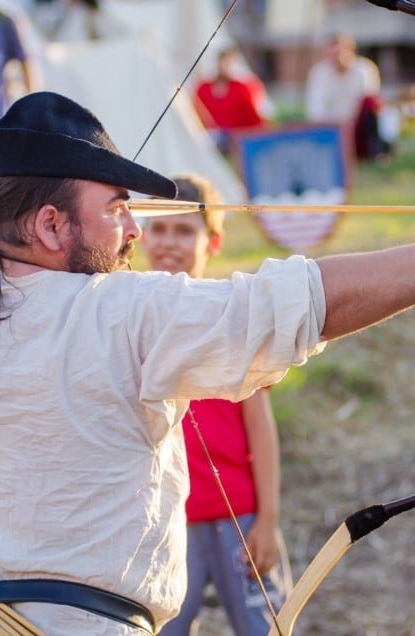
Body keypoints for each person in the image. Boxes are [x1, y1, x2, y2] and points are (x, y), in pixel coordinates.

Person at [0, 89, 415, 633]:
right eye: (115, 208)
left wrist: (14, 191)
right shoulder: (125, 311)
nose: (132, 230)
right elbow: (309, 300)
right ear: (52, 225)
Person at [143, 175, 290, 635]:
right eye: (159, 228)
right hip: (162, 519)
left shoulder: (235, 316)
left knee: (265, 626)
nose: (170, 242)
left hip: (238, 516)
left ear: (214, 241)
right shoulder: (130, 316)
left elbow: (260, 427)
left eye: (185, 230)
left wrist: (268, 519)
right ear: (140, 234)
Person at [304, 33, 389, 161]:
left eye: (340, 53)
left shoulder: (364, 70)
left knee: (372, 102)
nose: (337, 58)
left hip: (356, 126)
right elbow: (314, 106)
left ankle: (376, 151)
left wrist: (348, 124)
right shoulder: (319, 73)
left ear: (351, 51)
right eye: (332, 54)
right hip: (331, 127)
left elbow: (365, 103)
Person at [193, 48, 272, 155]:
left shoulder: (242, 88)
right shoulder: (203, 89)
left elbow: (252, 117)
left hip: (235, 137)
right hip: (210, 136)